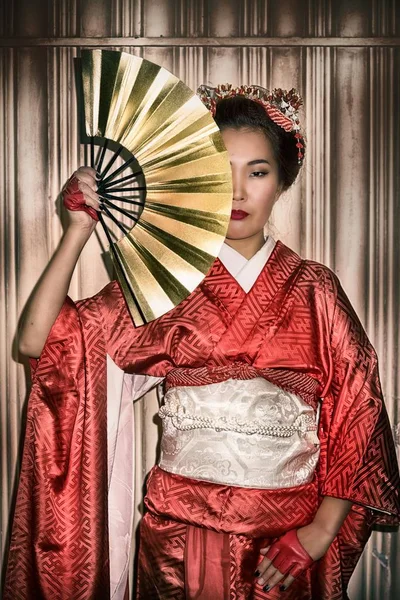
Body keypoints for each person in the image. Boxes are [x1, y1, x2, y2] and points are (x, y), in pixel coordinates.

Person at [4, 85, 399, 600]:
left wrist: (319, 533)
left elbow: (359, 411)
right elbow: (43, 342)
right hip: (177, 536)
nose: (238, 192)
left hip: (283, 542)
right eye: (222, 174)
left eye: (257, 172)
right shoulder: (167, 279)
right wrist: (77, 229)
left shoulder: (313, 287)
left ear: (282, 181)